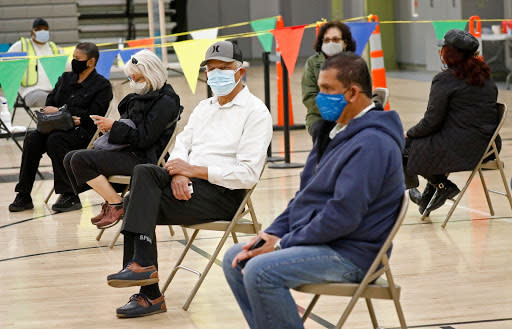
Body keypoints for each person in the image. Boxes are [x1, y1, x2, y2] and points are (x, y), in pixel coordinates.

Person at [223, 52, 405, 329]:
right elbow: (304, 199)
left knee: (261, 271)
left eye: (327, 89)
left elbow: (343, 215)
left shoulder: (373, 143)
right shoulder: (332, 132)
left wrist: (284, 243)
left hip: (354, 253)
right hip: (326, 241)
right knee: (235, 259)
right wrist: (271, 233)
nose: (320, 97)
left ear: (353, 92)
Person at [105, 40, 273, 318]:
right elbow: (182, 145)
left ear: (240, 72)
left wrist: (193, 171)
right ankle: (142, 270)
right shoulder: (205, 107)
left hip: (224, 195)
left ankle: (148, 291)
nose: (215, 74)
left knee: (136, 200)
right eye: (210, 69)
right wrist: (179, 172)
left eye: (223, 69)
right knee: (144, 174)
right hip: (190, 186)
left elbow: (247, 174)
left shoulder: (256, 113)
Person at [63, 49, 182, 229]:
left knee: (80, 160)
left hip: (145, 158)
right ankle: (112, 200)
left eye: (138, 78)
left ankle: (117, 204)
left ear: (152, 74)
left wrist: (114, 126)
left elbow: (144, 139)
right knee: (69, 158)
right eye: (131, 78)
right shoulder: (140, 97)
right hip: (129, 151)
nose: (134, 83)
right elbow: (130, 128)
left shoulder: (166, 101)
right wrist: (109, 130)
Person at [9, 42, 113, 213]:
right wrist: (63, 114)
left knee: (55, 140)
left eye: (78, 59)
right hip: (55, 126)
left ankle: (70, 194)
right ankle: (24, 193)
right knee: (32, 139)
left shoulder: (102, 86)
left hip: (83, 133)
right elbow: (50, 102)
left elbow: (94, 116)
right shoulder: (65, 79)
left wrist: (64, 113)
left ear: (91, 62)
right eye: (73, 58)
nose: (74, 62)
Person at [406, 29, 500, 214]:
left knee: (404, 147)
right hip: (488, 147)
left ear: (449, 54)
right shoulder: (487, 78)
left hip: (462, 149)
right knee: (427, 143)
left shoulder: (444, 80)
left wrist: (409, 133)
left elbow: (432, 121)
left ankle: (443, 186)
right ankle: (427, 199)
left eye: (443, 49)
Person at [302, 21, 356, 140]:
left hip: (351, 115)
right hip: (319, 117)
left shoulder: (356, 63)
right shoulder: (312, 63)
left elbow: (363, 93)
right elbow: (309, 97)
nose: (331, 43)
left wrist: (347, 114)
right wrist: (333, 113)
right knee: (323, 133)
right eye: (326, 40)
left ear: (345, 43)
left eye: (336, 40)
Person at [7, 18, 61, 107]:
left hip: (54, 90)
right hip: (31, 91)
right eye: (38, 29)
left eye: (45, 29)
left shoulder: (55, 48)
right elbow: (6, 65)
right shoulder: (21, 46)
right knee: (47, 99)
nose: (42, 31)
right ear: (32, 32)